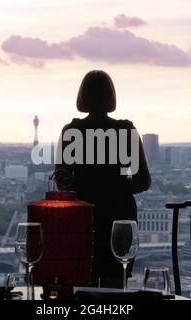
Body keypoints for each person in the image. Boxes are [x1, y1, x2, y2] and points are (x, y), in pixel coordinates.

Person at [55, 70, 151, 288]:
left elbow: (62, 182)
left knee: (81, 279)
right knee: (115, 281)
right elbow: (143, 181)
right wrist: (118, 185)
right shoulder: (126, 131)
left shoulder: (72, 131)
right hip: (120, 213)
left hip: (83, 215)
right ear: (111, 96)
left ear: (82, 97)